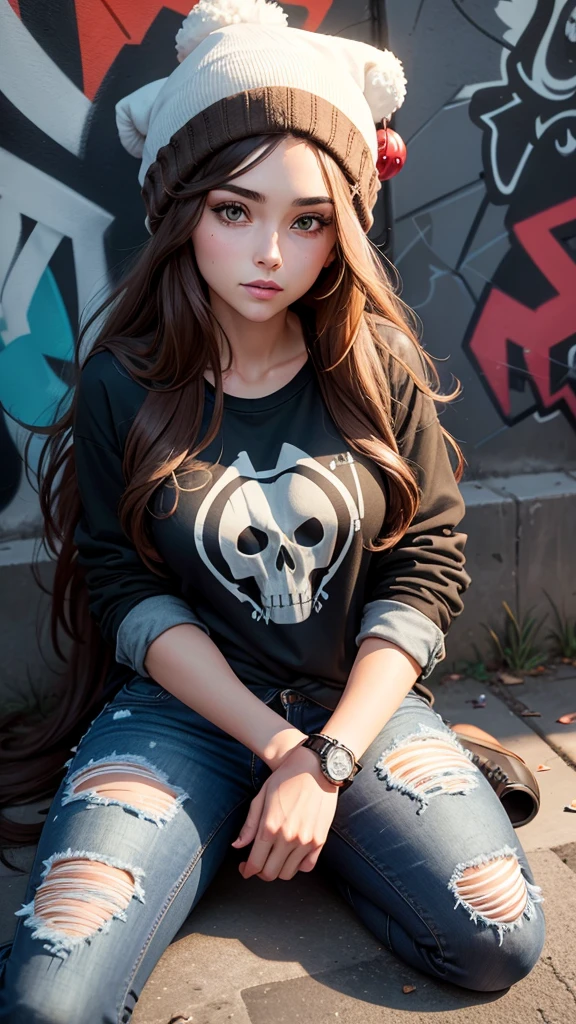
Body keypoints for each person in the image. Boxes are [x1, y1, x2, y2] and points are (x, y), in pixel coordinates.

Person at [0, 2, 545, 1019]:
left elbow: (427, 564)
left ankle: (315, 826)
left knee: (496, 936)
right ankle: (251, 818)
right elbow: (123, 585)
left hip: (354, 710)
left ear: (342, 224)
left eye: (307, 220)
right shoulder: (127, 382)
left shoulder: (376, 366)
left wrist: (328, 758)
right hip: (189, 716)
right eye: (233, 210)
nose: (271, 254)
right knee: (54, 996)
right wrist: (276, 754)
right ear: (181, 212)